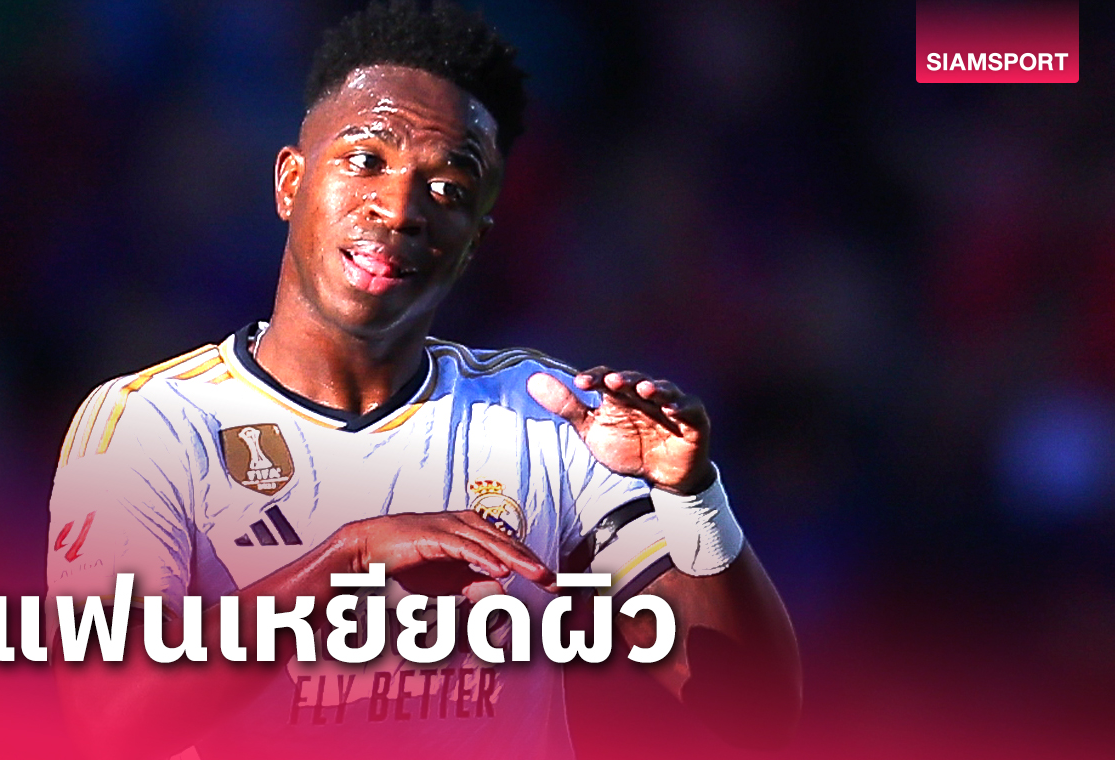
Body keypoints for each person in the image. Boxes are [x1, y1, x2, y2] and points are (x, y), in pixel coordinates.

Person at [46, 2, 800, 758]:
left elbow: (754, 712)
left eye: (448, 190)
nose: (401, 208)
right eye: (366, 160)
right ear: (290, 183)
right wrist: (347, 563)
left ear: (474, 242)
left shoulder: (544, 416)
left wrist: (690, 495)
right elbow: (112, 717)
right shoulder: (150, 424)